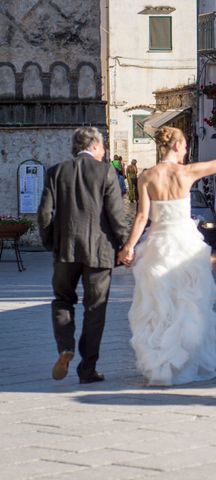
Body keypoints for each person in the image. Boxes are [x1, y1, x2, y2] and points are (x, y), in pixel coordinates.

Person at [117, 125, 216, 386]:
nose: (186, 150)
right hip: (185, 245)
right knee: (189, 305)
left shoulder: (147, 177)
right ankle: (183, 362)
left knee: (159, 307)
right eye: (184, 145)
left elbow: (141, 217)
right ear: (175, 146)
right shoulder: (187, 172)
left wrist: (129, 247)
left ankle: (161, 362)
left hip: (158, 246)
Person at [37, 127, 129, 384]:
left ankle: (65, 346)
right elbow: (116, 215)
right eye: (103, 147)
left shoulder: (56, 172)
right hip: (99, 252)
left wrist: (50, 242)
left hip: (65, 250)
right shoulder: (106, 171)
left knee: (62, 299)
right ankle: (87, 369)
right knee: (95, 309)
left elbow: (44, 214)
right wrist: (125, 245)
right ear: (95, 146)